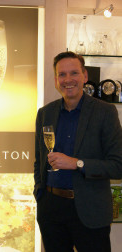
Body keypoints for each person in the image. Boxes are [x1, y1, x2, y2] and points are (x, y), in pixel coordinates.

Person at [34, 51, 122, 252]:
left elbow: (118, 166)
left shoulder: (105, 112)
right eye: (62, 74)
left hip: (91, 210)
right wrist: (40, 194)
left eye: (74, 73)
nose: (68, 80)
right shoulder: (45, 113)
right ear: (56, 80)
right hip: (51, 210)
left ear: (85, 76)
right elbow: (39, 161)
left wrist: (77, 163)